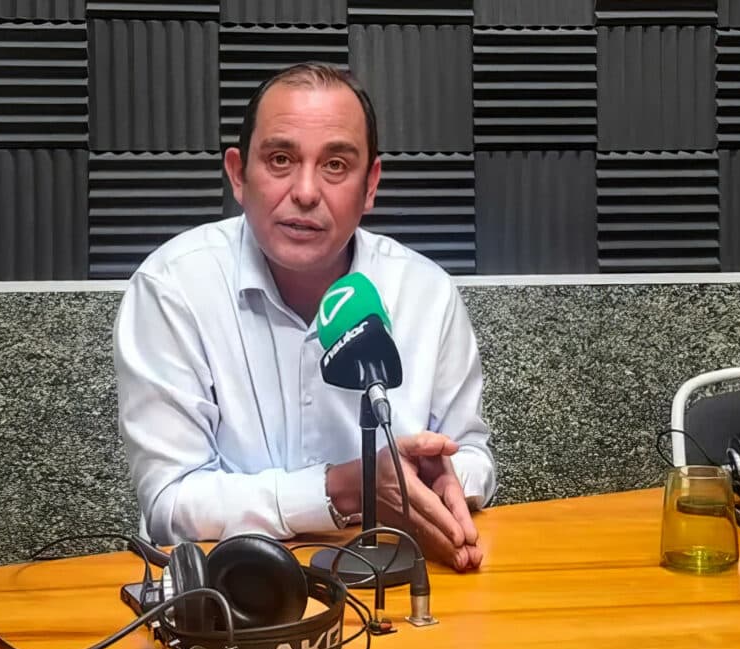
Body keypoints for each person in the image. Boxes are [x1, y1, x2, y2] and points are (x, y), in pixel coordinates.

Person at [113, 62, 496, 572]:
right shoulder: (172, 287)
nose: (307, 192)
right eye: (280, 159)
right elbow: (170, 504)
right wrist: (345, 488)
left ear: (371, 185)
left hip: (394, 577)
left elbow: (473, 456)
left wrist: (443, 478)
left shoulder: (427, 292)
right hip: (229, 589)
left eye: (335, 165)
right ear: (238, 175)